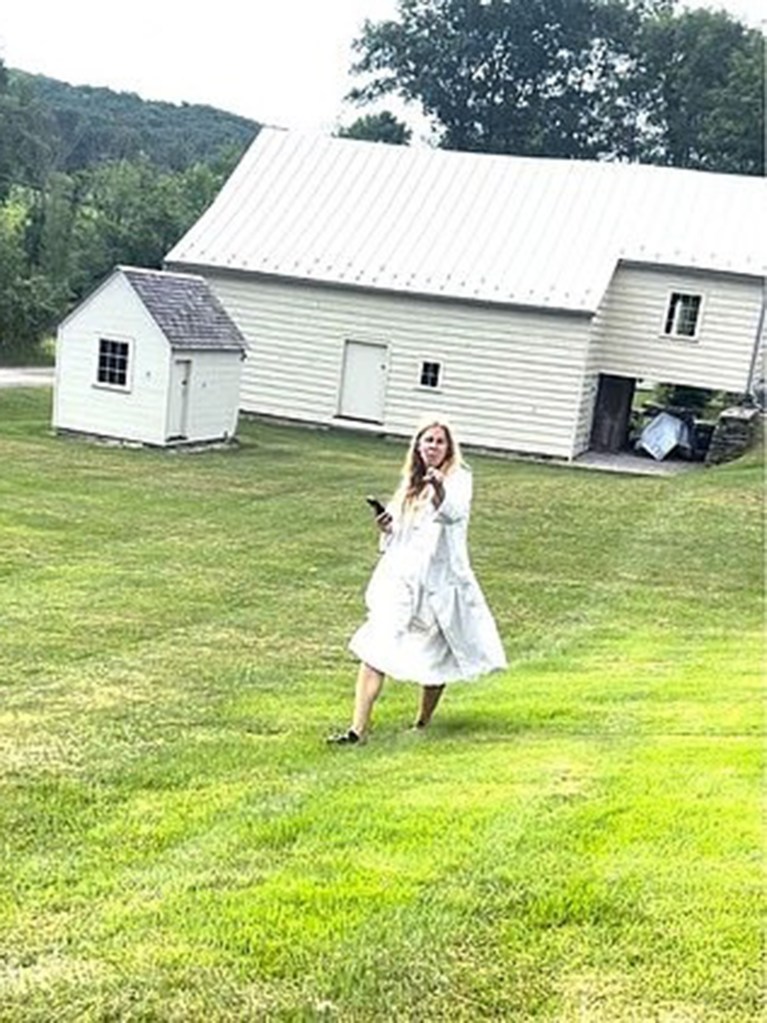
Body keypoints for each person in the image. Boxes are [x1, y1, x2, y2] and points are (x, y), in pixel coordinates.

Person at [328, 416, 507, 745]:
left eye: (440, 441)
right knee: (375, 645)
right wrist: (386, 527)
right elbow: (401, 532)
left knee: (436, 653)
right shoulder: (409, 484)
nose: (433, 447)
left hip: (438, 582)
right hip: (401, 579)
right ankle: (358, 729)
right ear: (418, 445)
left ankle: (423, 722)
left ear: (449, 447)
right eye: (428, 440)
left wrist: (439, 486)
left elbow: (452, 514)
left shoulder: (459, 479)